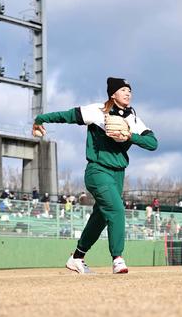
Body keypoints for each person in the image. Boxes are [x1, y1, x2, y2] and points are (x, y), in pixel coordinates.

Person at [32, 77, 158, 274]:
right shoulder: (98, 111)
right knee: (116, 210)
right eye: (123, 89)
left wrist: (130, 136)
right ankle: (118, 259)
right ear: (113, 94)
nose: (128, 93)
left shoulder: (132, 118)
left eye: (129, 90)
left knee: (100, 217)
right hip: (98, 171)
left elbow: (153, 143)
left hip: (118, 175)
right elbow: (67, 115)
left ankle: (77, 257)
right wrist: (41, 119)